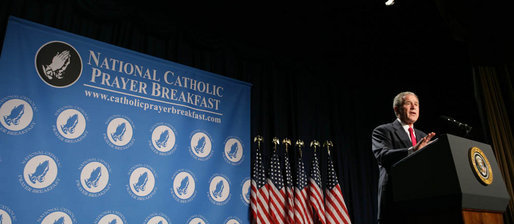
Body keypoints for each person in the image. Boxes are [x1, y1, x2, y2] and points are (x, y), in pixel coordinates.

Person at [371, 91, 436, 224]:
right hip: (396, 200)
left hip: (423, 201)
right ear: (397, 109)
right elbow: (383, 156)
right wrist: (412, 150)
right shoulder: (383, 131)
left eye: (416, 104)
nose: (413, 107)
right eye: (408, 103)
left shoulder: (423, 136)